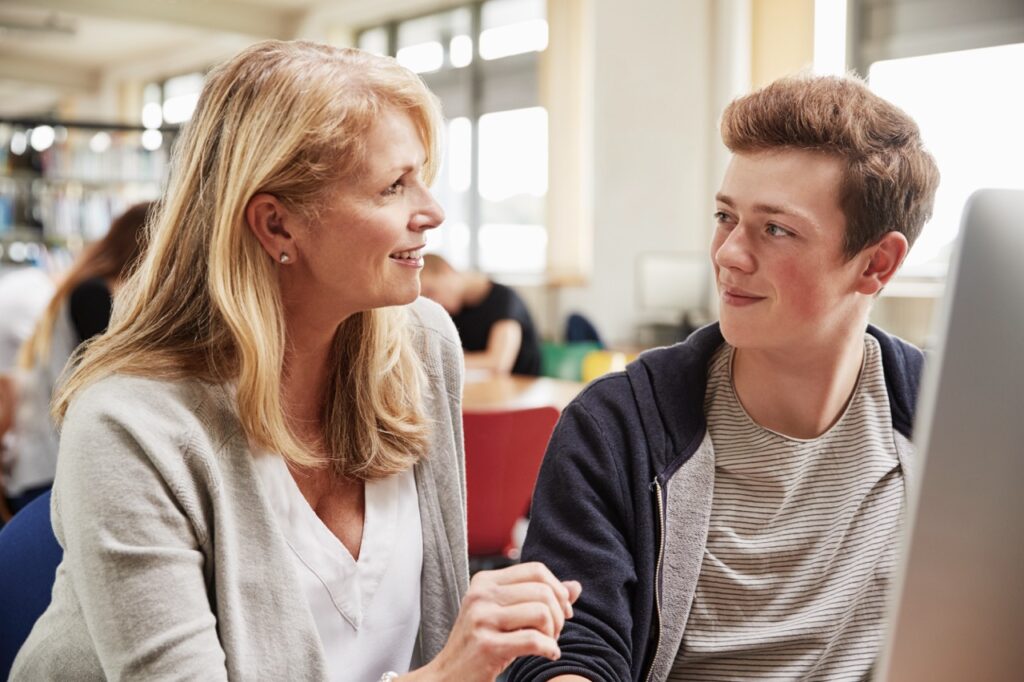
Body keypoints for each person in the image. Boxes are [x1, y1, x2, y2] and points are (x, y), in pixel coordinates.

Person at [11, 41, 579, 681]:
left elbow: (436, 630)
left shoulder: (421, 343)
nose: (433, 212)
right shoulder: (128, 426)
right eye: (394, 185)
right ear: (277, 226)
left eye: (423, 176)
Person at [507, 73, 939, 681]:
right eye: (725, 216)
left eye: (776, 229)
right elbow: (562, 648)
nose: (729, 253)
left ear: (877, 264)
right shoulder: (617, 427)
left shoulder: (944, 420)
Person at [0, 202, 153, 516]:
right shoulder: (93, 295)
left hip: (48, 468)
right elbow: (121, 377)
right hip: (50, 474)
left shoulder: (89, 288)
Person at [420, 253, 542, 376]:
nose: (434, 302)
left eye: (431, 291)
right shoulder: (453, 311)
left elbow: (499, 364)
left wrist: (439, 361)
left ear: (446, 271)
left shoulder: (504, 300)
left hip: (522, 387)